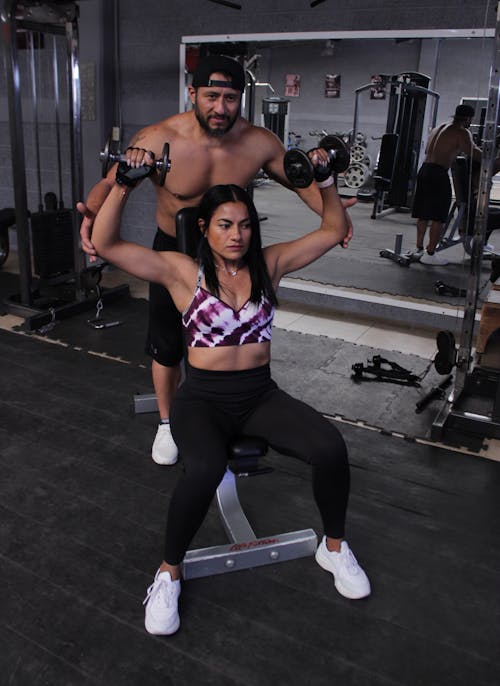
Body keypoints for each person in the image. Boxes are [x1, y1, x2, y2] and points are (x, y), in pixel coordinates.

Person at [91, 170, 370, 636]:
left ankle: (334, 548)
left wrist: (324, 181)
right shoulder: (183, 271)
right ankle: (168, 573)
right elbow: (107, 244)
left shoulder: (269, 264)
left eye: (244, 224)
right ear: (204, 228)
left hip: (259, 394)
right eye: (224, 224)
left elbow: (333, 230)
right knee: (202, 469)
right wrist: (123, 184)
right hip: (201, 400)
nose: (237, 235)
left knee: (330, 448)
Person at [78, 55, 353, 467]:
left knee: (233, 339)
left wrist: (334, 215)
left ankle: (229, 410)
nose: (221, 108)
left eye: (230, 97)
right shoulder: (158, 137)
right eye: (211, 96)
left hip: (227, 251)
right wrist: (92, 215)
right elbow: (109, 181)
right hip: (174, 250)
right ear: (192, 93)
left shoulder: (258, 141)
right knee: (168, 345)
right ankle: (169, 423)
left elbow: (301, 182)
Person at [412, 104, 483, 265]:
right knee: (438, 216)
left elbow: (428, 152)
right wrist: (490, 154)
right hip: (438, 173)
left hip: (424, 170)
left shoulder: (439, 127)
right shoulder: (461, 131)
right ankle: (430, 254)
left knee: (423, 213)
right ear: (468, 118)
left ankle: (419, 248)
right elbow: (473, 152)